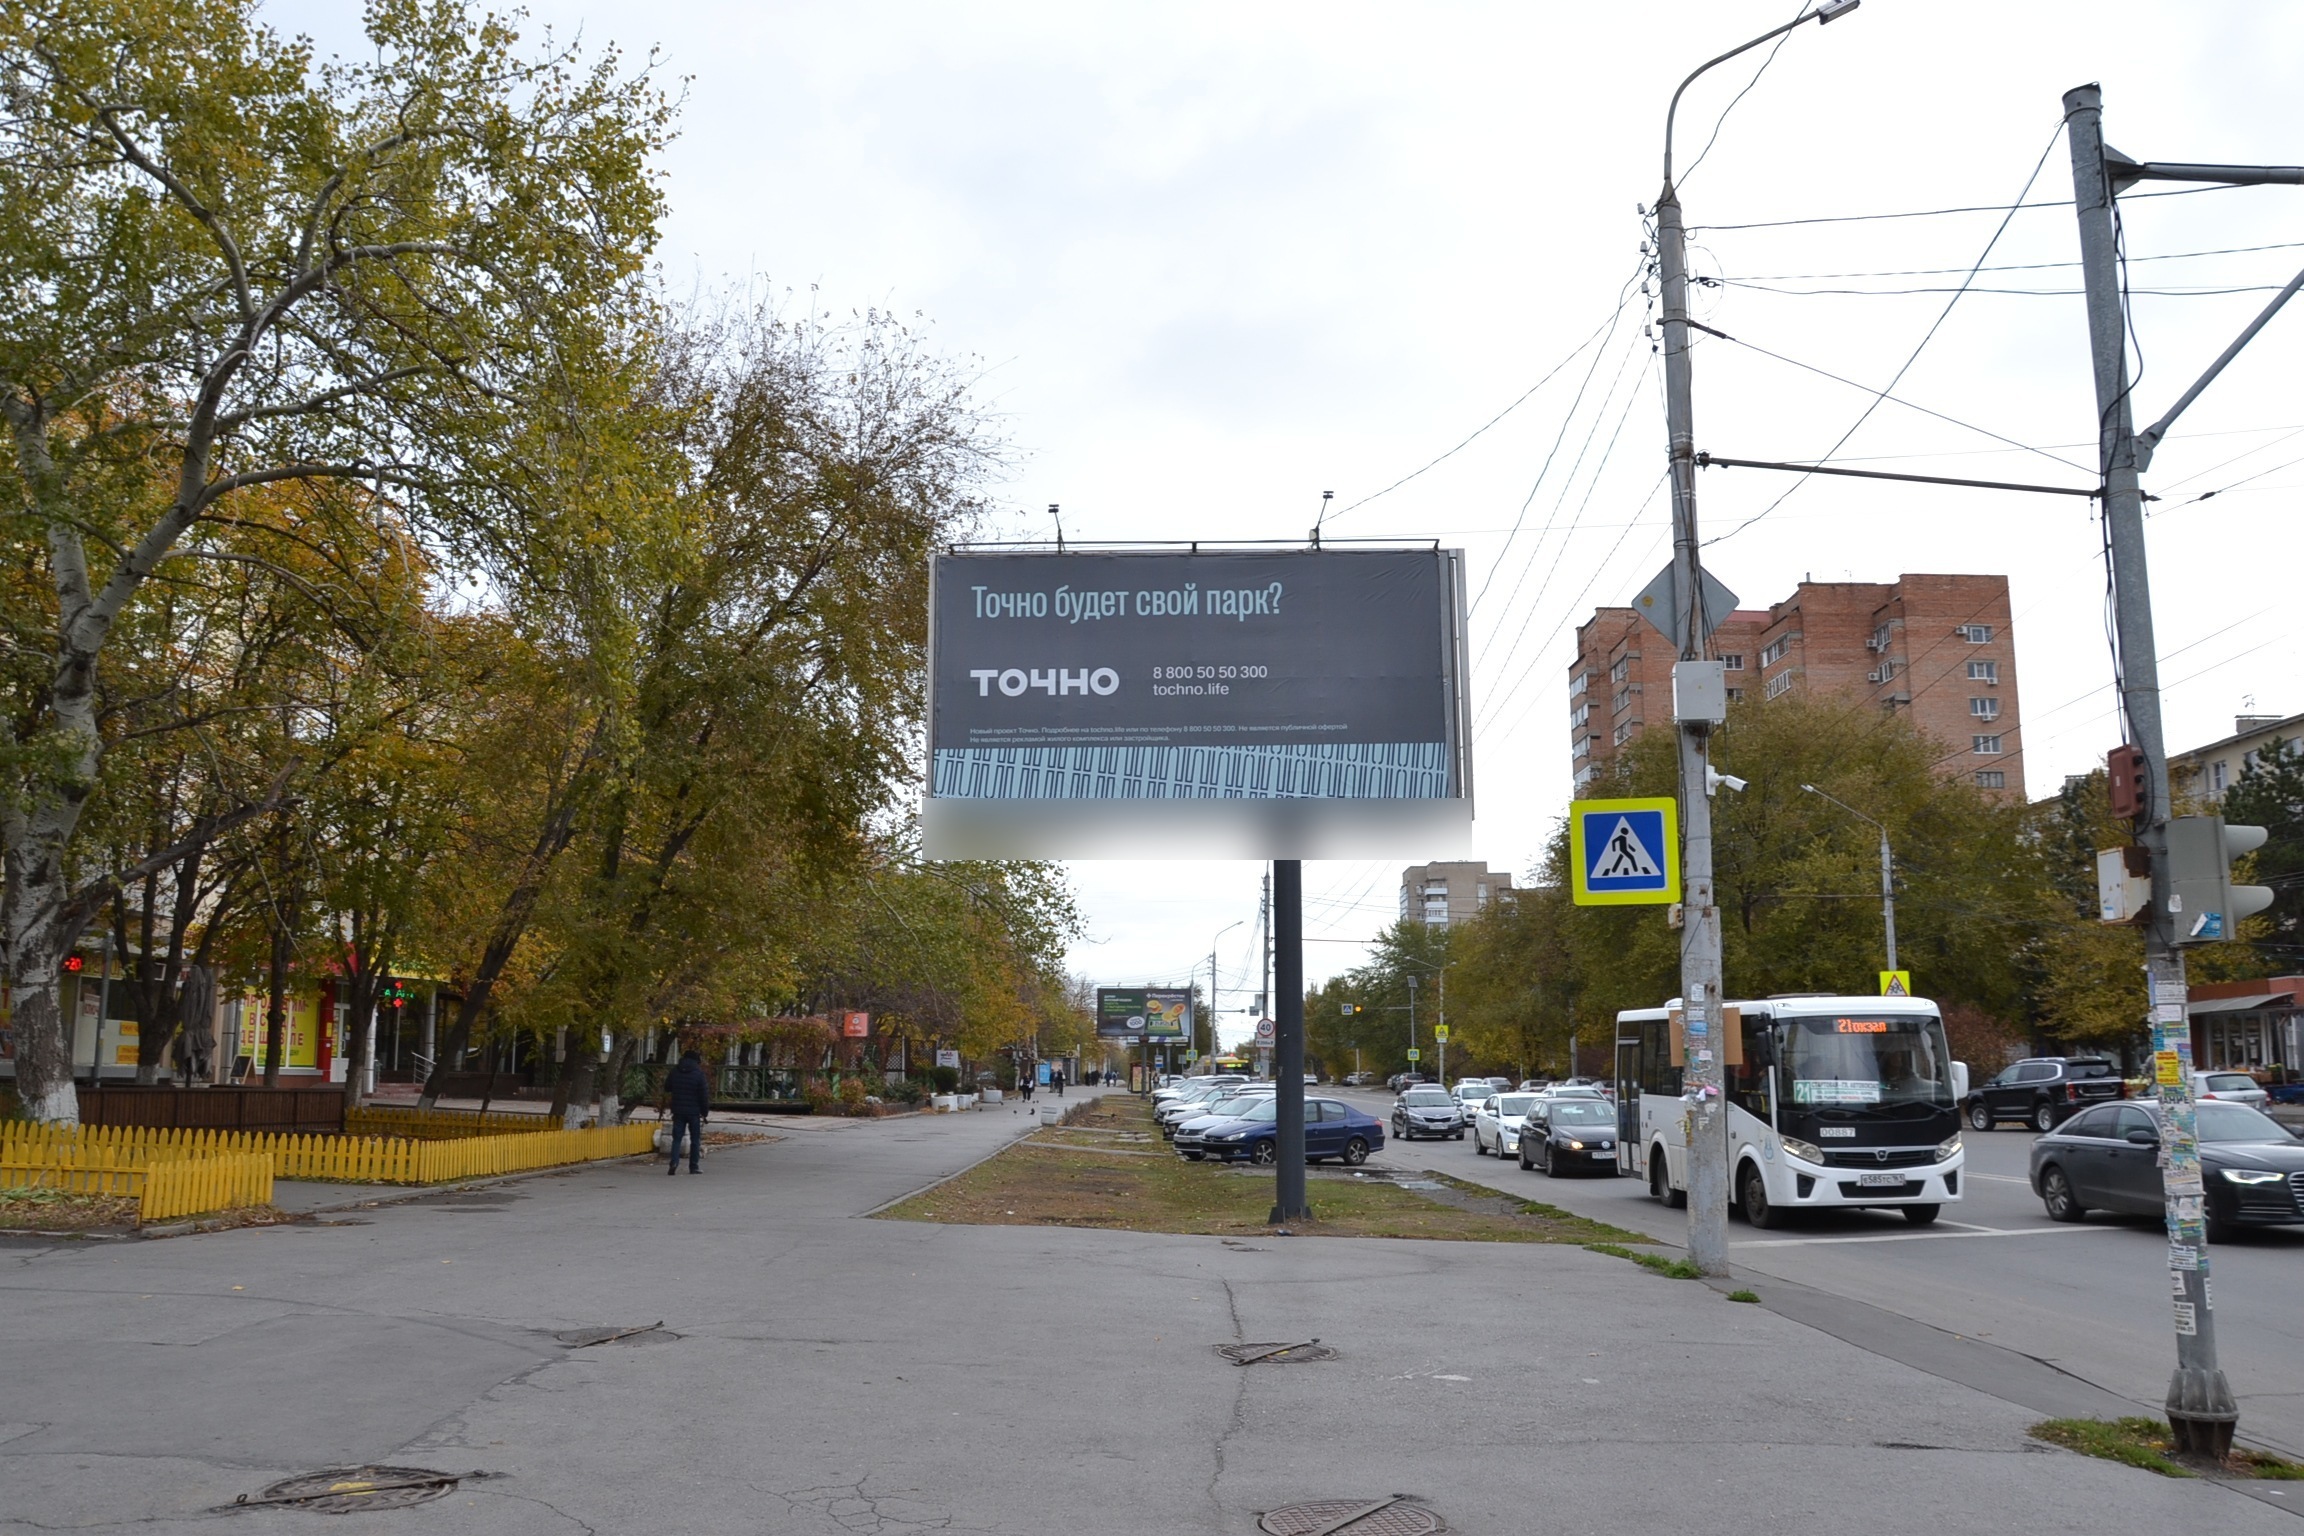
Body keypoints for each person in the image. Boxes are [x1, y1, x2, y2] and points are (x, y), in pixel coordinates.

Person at [662, 1049, 710, 1175]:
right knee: (695, 1139)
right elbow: (703, 1095)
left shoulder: (675, 1071)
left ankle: (674, 1162)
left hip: (678, 1110)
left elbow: (667, 1087)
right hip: (694, 1112)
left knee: (676, 1138)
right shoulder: (699, 1073)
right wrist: (705, 1112)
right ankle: (693, 1166)